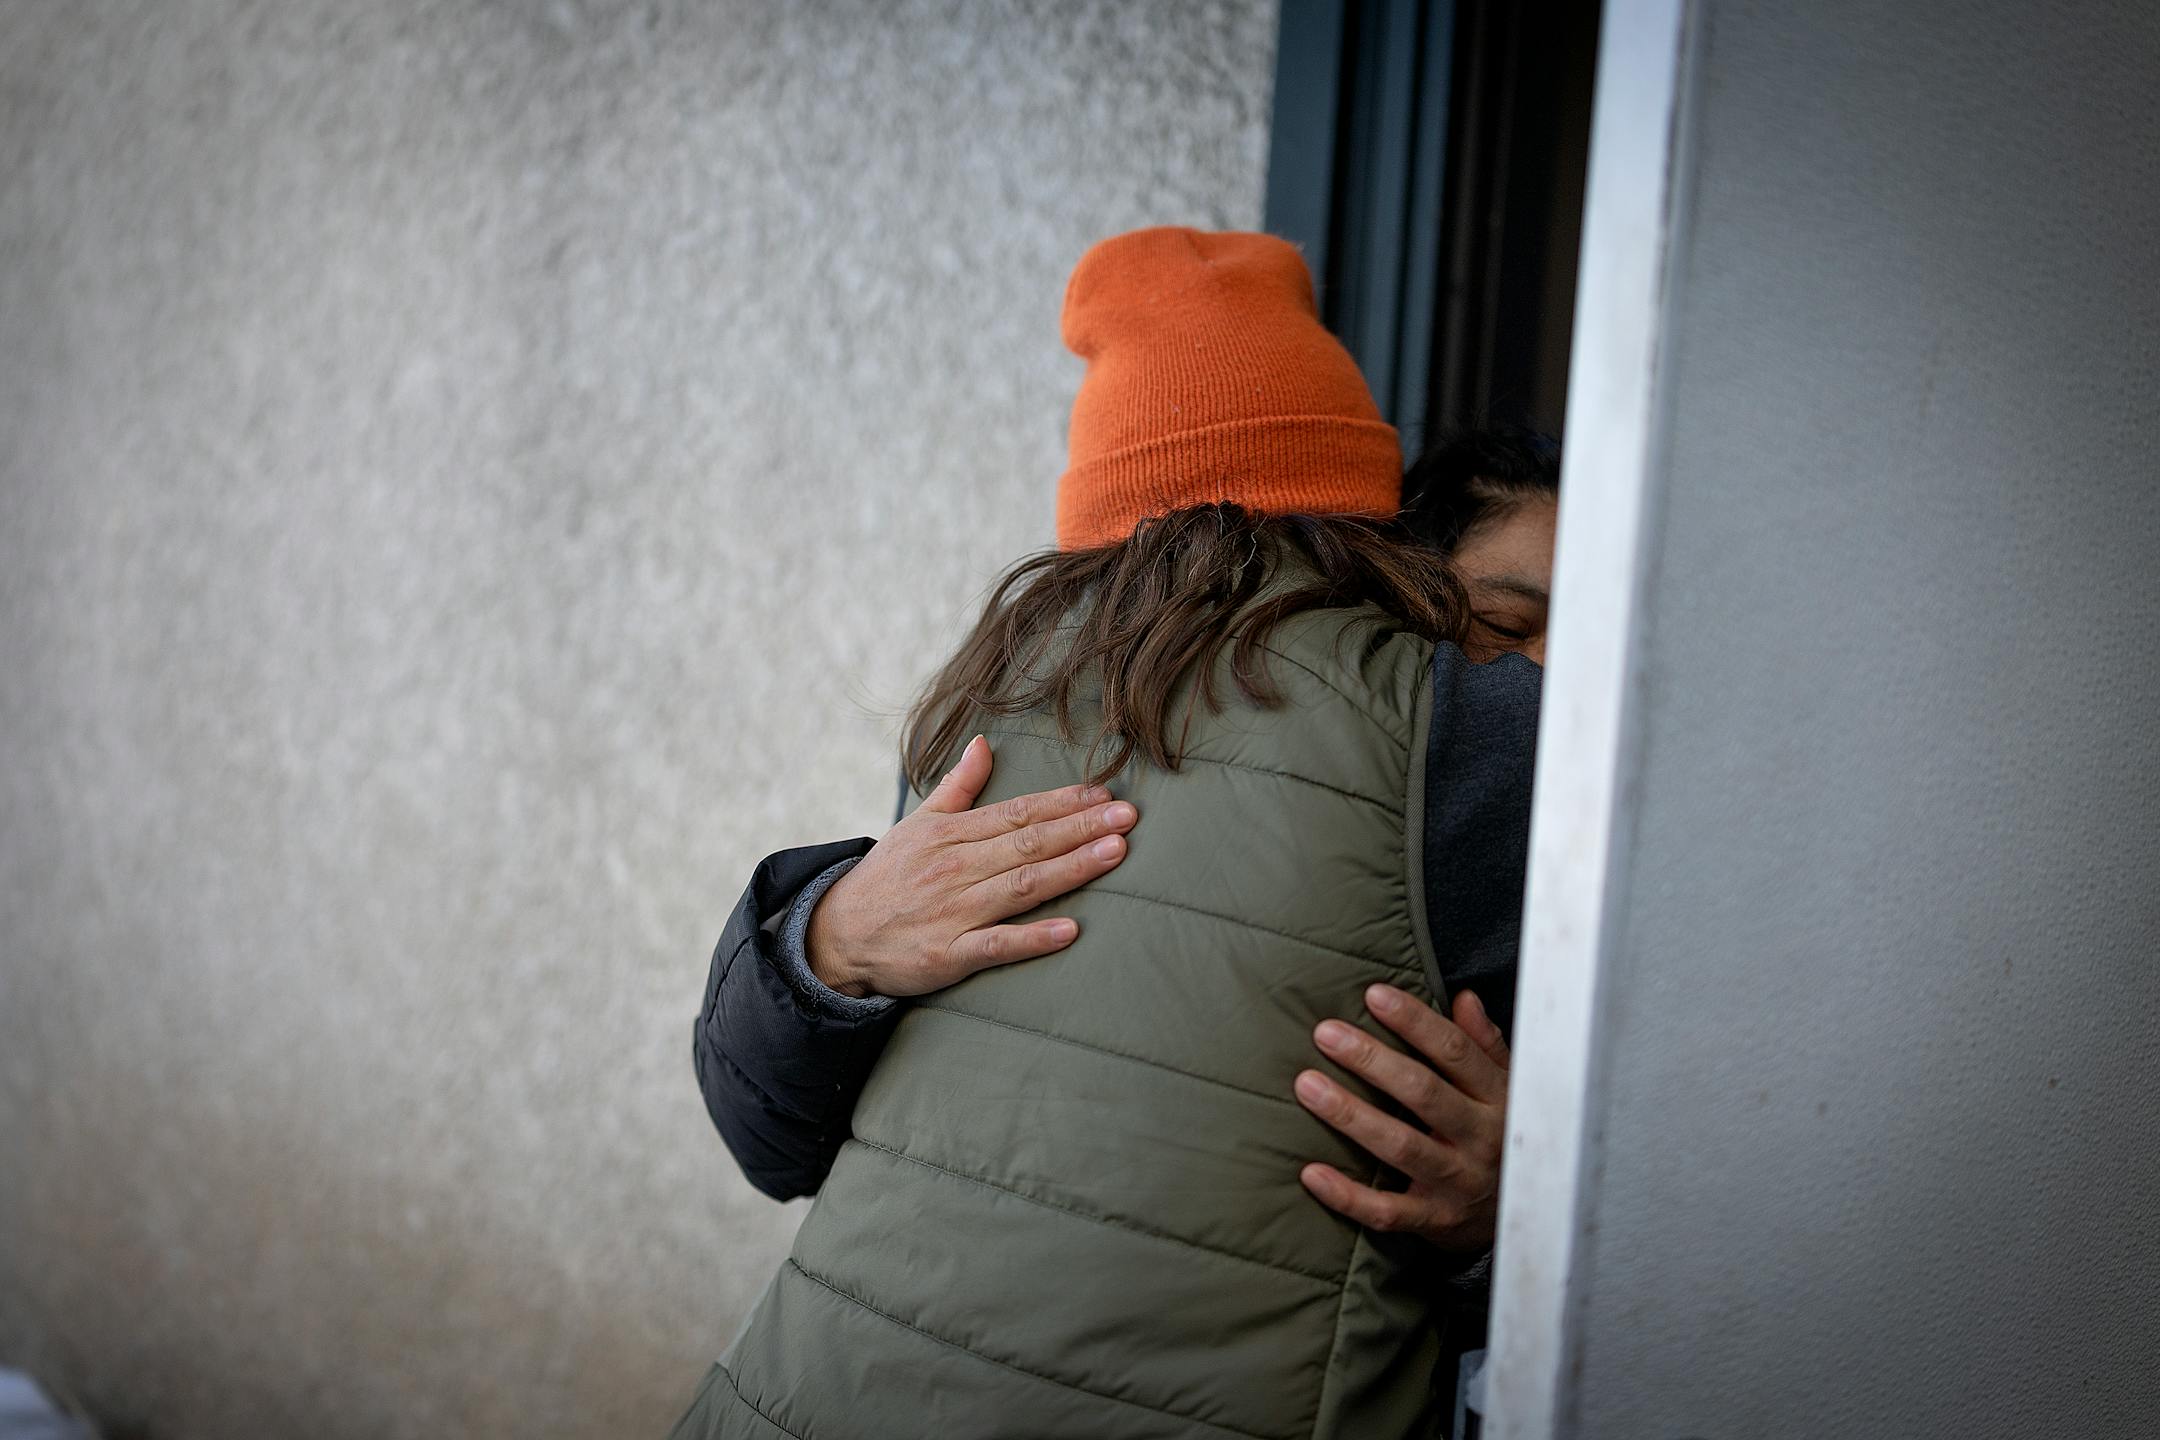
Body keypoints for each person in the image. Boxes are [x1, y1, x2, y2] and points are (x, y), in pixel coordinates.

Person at [672, 227, 1552, 1439]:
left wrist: (815, 951)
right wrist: (833, 941)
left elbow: (770, 1146)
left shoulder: (986, 705)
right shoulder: (1464, 739)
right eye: (1514, 625)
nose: (1556, 678)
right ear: (1376, 526)